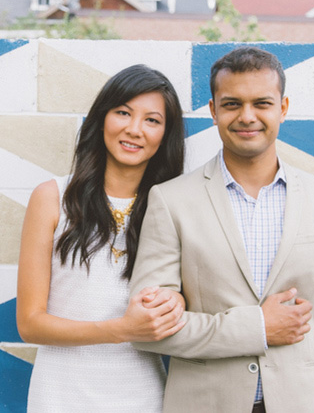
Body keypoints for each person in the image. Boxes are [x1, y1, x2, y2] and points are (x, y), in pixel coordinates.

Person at [130, 47, 314, 413]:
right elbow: (149, 330)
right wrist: (257, 327)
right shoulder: (170, 200)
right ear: (213, 110)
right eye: (231, 104)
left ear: (283, 108)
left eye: (261, 103)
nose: (247, 117)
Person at [17, 64, 187, 412]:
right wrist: (122, 329)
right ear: (102, 118)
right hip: (59, 397)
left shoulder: (175, 207)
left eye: (152, 120)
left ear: (166, 135)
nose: (134, 129)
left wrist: (178, 305)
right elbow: (30, 324)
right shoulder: (51, 197)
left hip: (141, 397)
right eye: (123, 112)